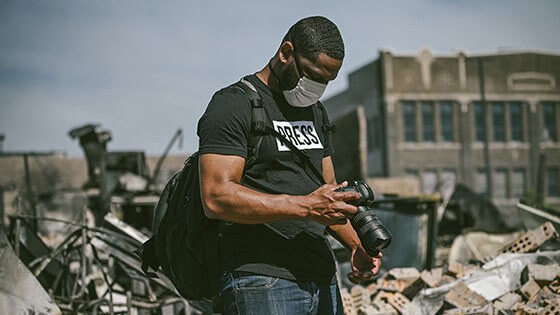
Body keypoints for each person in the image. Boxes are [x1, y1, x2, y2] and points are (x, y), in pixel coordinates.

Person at [197, 16, 382, 315]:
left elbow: (328, 198)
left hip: (321, 277)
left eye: (326, 81)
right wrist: (306, 207)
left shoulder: (315, 112)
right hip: (261, 278)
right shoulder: (234, 104)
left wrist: (355, 247)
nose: (316, 87)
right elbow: (216, 198)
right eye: (312, 76)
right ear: (286, 53)